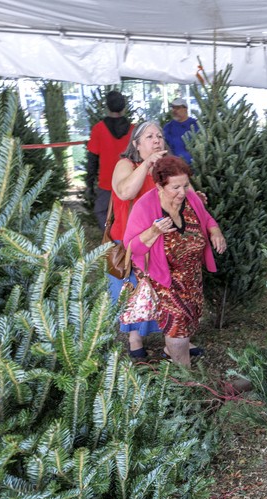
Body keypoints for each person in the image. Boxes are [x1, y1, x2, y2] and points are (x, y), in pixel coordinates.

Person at [123, 155, 226, 366]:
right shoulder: (145, 206)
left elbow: (206, 218)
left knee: (190, 318)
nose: (182, 192)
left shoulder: (191, 197)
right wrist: (152, 232)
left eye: (185, 185)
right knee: (177, 325)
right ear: (160, 185)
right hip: (163, 278)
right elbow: (131, 247)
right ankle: (184, 375)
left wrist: (215, 232)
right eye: (175, 187)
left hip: (191, 275)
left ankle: (171, 353)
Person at [110, 121, 169, 359]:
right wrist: (146, 164)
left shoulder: (166, 167)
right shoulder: (125, 164)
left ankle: (173, 338)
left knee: (165, 291)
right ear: (136, 144)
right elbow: (126, 192)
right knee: (133, 292)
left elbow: (183, 194)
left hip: (160, 242)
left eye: (159, 136)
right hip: (130, 243)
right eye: (149, 136)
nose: (156, 139)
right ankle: (135, 341)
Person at [86, 90, 133, 230]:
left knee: (101, 212)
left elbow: (92, 159)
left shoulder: (98, 129)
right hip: (130, 181)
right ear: (124, 107)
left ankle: (111, 242)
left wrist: (90, 182)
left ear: (106, 107)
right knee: (129, 214)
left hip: (107, 183)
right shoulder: (133, 130)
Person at [163, 97, 200, 163]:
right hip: (174, 165)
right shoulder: (168, 127)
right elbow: (164, 145)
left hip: (195, 165)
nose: (174, 111)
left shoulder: (196, 124)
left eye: (177, 108)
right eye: (173, 108)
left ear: (185, 109)